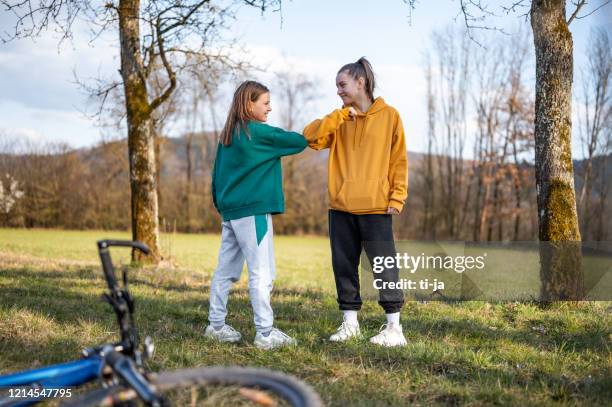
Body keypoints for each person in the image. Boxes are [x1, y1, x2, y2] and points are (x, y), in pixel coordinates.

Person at [303, 57, 408, 347]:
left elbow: (398, 161)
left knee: (384, 266)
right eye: (337, 86)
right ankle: (350, 324)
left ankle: (394, 329)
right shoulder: (338, 119)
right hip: (341, 207)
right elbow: (309, 138)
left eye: (342, 84)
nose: (338, 90)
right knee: (344, 266)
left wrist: (397, 197)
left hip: (376, 207)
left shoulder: (390, 116)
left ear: (360, 82)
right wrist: (338, 117)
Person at [205, 80, 307, 350]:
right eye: (265, 103)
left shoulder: (227, 136)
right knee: (263, 272)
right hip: (253, 214)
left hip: (230, 214)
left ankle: (215, 326)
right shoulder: (258, 133)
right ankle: (265, 332)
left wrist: (222, 207)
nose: (270, 108)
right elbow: (298, 142)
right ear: (249, 104)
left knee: (225, 271)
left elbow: (216, 177)